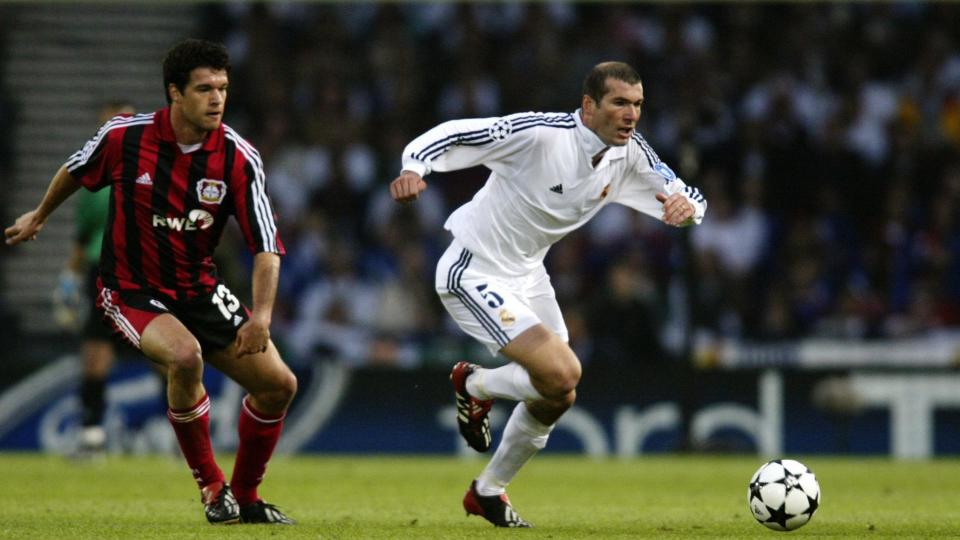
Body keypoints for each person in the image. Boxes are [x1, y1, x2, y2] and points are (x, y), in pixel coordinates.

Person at [390, 61, 707, 527]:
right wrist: (414, 167)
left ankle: (488, 490)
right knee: (563, 371)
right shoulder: (540, 134)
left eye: (637, 105)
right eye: (619, 103)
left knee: (559, 394)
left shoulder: (630, 154)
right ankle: (474, 384)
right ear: (588, 105)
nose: (631, 115)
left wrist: (686, 209)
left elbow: (687, 195)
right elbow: (459, 131)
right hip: (473, 267)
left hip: (528, 275)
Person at [5, 39, 297, 525]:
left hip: (199, 288)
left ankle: (245, 498)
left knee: (279, 386)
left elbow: (266, 245)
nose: (217, 99)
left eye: (223, 88)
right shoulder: (124, 137)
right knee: (185, 357)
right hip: (129, 287)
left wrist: (262, 316)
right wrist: (39, 215)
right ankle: (211, 487)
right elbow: (76, 171)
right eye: (204, 89)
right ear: (174, 94)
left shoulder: (239, 157)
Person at [55, 100, 136, 457]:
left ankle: (185, 436)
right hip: (101, 272)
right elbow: (82, 238)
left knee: (169, 355)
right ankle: (91, 431)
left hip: (146, 270)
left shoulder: (158, 173)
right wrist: (67, 280)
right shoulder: (91, 184)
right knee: (95, 354)